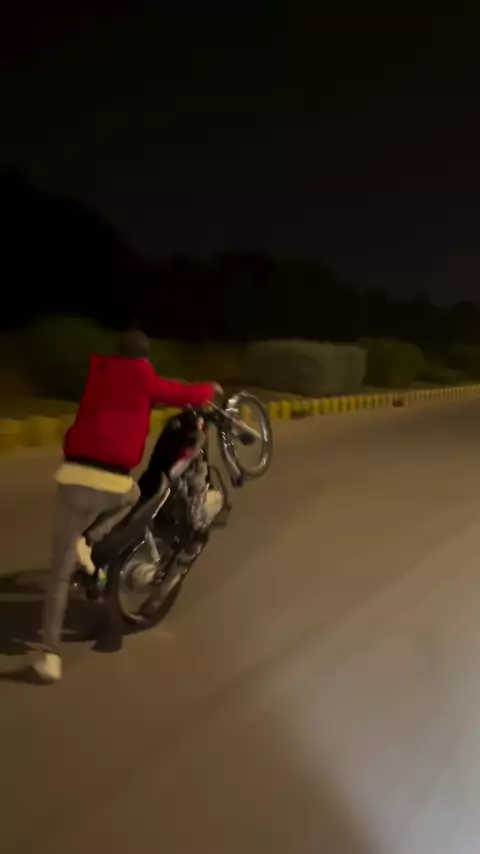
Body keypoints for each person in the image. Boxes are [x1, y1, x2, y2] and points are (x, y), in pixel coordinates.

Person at [34, 329, 221, 683]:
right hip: (112, 480)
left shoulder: (100, 375)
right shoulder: (144, 377)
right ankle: (90, 540)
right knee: (134, 497)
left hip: (72, 475)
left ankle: (49, 655)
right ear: (144, 357)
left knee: (59, 571)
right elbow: (179, 393)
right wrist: (207, 390)